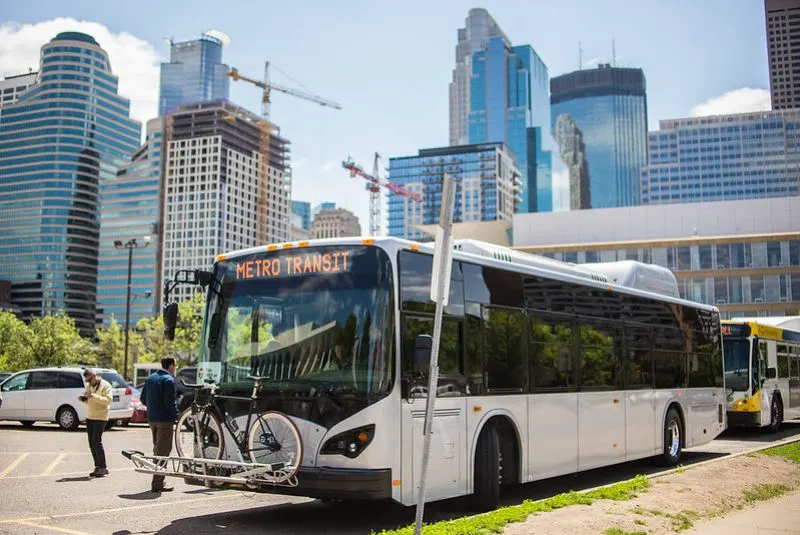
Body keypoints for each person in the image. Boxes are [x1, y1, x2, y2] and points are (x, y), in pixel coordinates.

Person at [139, 357, 179, 493]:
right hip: (165, 421)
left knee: (157, 450)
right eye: (175, 365)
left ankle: (158, 481)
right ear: (171, 366)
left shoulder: (151, 378)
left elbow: (142, 398)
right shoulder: (168, 380)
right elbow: (170, 403)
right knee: (163, 452)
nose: (175, 368)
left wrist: (153, 408)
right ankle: (157, 483)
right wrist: (177, 415)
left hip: (152, 419)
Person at [79, 368, 112, 478]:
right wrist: (84, 398)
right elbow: (88, 398)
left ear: (94, 376)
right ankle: (98, 466)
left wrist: (93, 396)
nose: (87, 382)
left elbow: (108, 400)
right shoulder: (89, 386)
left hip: (101, 417)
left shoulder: (105, 385)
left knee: (96, 441)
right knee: (91, 443)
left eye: (88, 379)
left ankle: (103, 467)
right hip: (90, 417)